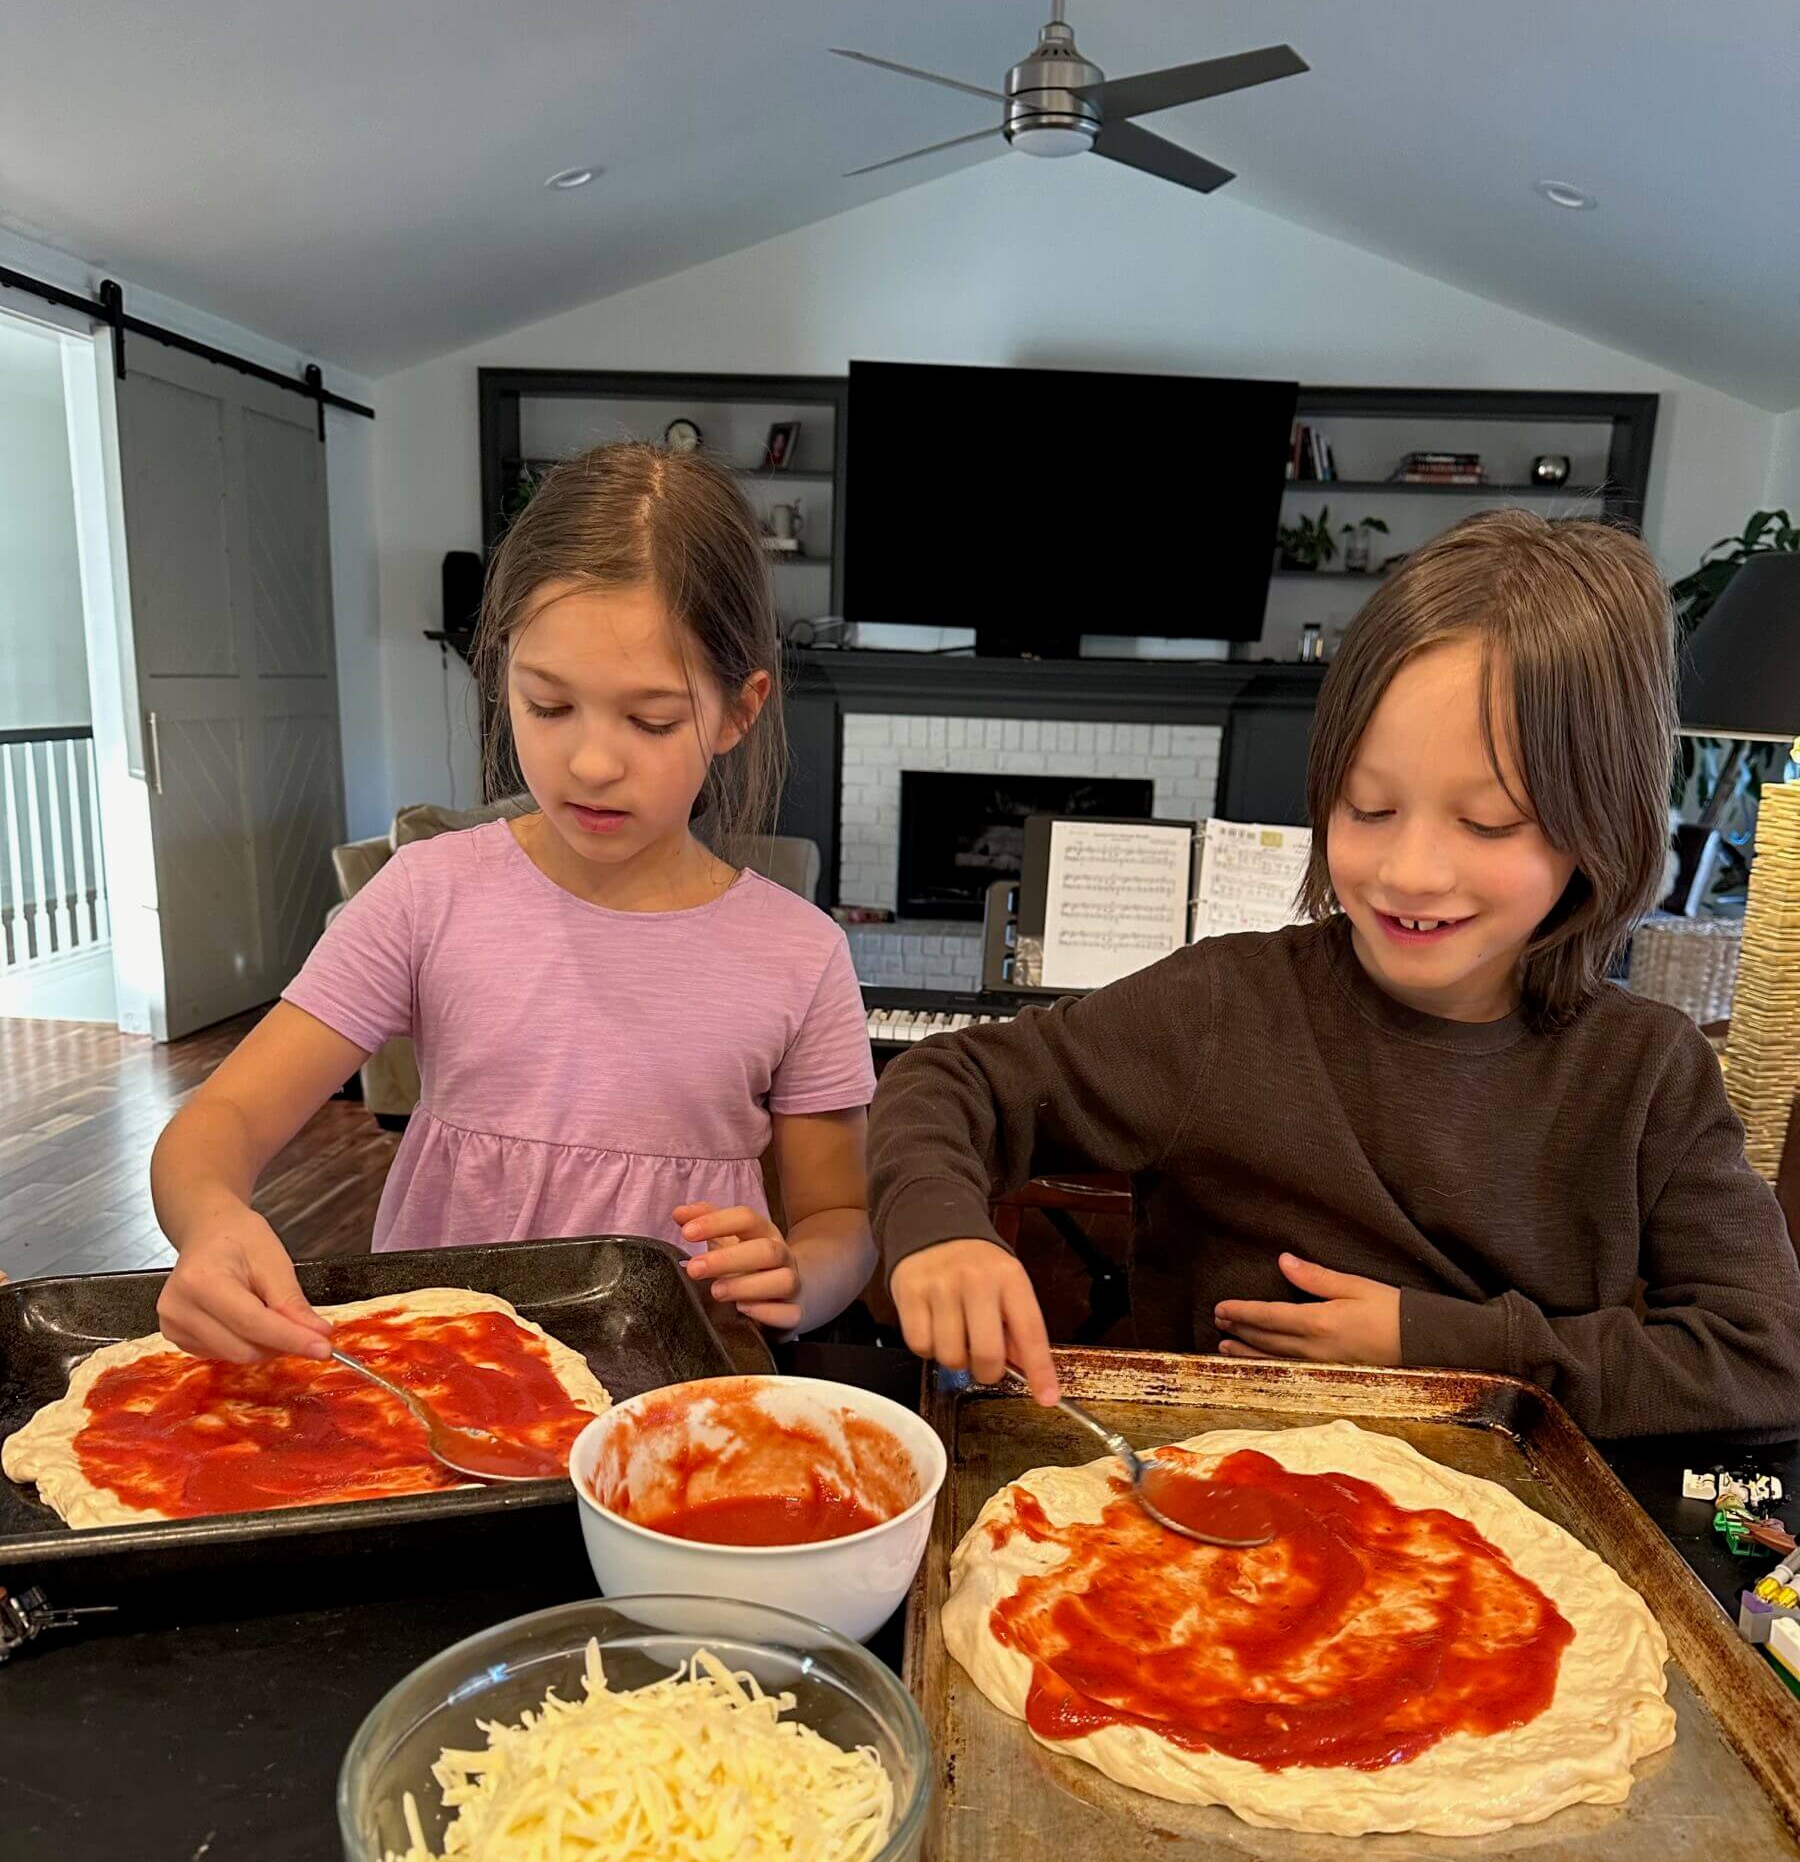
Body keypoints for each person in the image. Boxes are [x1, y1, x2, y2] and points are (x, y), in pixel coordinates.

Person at [869, 510, 1800, 1442]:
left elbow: (1766, 1360)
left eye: (1488, 823)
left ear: (1602, 823)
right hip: (1217, 1516)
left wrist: (1438, 1345)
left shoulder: (1646, 1070)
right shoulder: (1224, 1009)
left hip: (1502, 1544)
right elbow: (952, 1079)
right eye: (1369, 807)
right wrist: (940, 1224)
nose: (1410, 873)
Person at [153, 444, 875, 1364]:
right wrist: (212, 1220)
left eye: (651, 721)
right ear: (504, 680)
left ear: (739, 710)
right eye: (548, 706)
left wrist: (802, 1276)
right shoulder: (428, 894)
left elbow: (840, 1218)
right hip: (442, 1374)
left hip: (678, 1388)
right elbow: (218, 1124)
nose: (592, 762)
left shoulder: (798, 953)